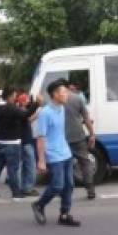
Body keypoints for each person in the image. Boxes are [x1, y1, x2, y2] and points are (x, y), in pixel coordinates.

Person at [32, 79, 80, 227]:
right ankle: (39, 205)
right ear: (55, 94)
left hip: (65, 153)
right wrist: (41, 160)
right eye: (64, 92)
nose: (66, 94)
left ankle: (64, 215)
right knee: (57, 185)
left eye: (67, 91)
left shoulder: (62, 108)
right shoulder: (45, 113)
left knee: (69, 185)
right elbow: (41, 137)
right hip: (53, 155)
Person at [0, 86, 38, 200]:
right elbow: (26, 115)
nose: (15, 97)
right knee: (12, 169)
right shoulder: (12, 108)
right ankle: (16, 193)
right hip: (12, 143)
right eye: (14, 95)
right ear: (11, 95)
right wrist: (36, 104)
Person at [64, 82, 96, 200]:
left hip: (63, 139)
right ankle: (90, 189)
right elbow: (86, 118)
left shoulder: (55, 101)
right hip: (78, 136)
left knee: (65, 164)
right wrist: (92, 134)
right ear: (69, 87)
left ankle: (66, 191)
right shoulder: (78, 99)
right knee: (85, 162)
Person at [16, 91, 39, 197]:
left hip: (23, 142)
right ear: (23, 102)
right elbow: (28, 118)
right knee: (30, 166)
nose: (29, 102)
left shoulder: (20, 111)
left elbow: (28, 119)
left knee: (23, 166)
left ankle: (22, 187)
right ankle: (27, 188)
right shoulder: (22, 111)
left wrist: (36, 115)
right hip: (26, 142)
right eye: (27, 101)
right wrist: (38, 113)